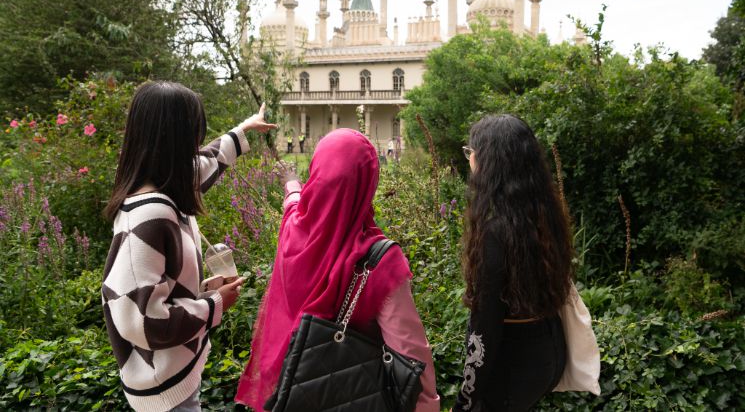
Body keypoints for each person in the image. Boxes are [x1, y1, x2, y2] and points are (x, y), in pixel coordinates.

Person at [101, 81, 276, 412]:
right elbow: (144, 321)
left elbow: (206, 163)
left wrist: (243, 130)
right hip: (164, 391)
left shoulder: (162, 189)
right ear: (175, 142)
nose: (197, 145)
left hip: (176, 377)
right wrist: (214, 304)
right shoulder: (149, 216)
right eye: (192, 136)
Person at [235, 128, 440, 411]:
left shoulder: (295, 234)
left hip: (292, 393)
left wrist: (292, 184)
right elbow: (411, 355)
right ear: (368, 182)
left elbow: (293, 208)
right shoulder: (381, 262)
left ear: (317, 175)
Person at [454, 114, 573, 412]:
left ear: (489, 162)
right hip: (548, 354)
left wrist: (464, 403)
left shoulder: (496, 232)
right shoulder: (542, 216)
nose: (469, 160)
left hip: (510, 369)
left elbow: (485, 330)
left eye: (471, 152)